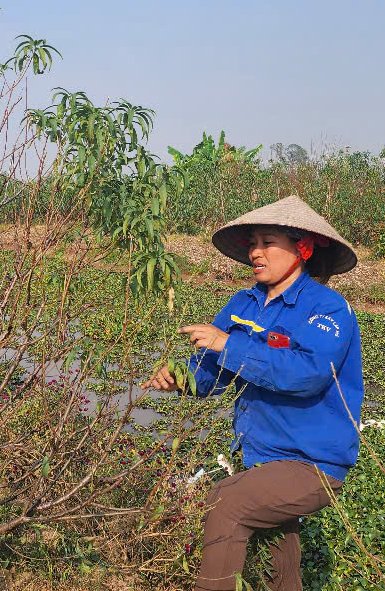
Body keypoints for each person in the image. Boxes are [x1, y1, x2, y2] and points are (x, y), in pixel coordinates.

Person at [141, 195, 364, 591]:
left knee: (225, 503)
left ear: (304, 248)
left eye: (268, 242)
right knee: (281, 559)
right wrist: (182, 378)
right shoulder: (242, 304)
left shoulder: (328, 309)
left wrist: (227, 344)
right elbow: (213, 373)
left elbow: (307, 375)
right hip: (263, 456)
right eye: (252, 243)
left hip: (312, 463)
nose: (256, 252)